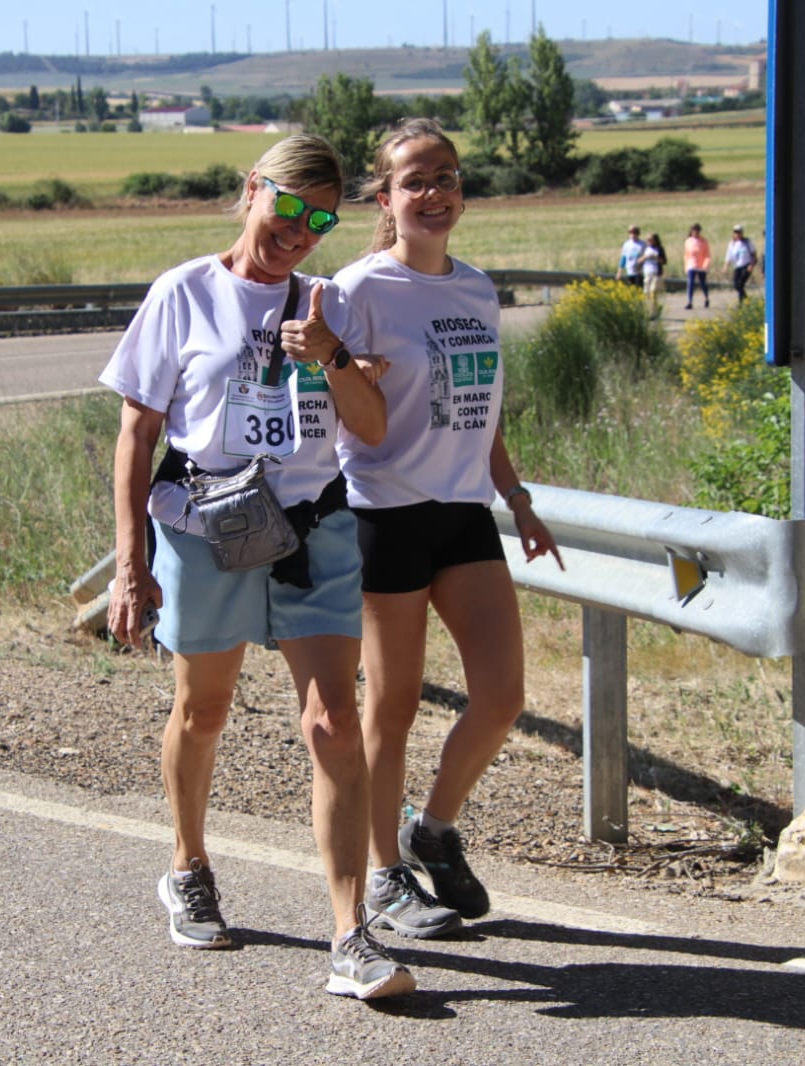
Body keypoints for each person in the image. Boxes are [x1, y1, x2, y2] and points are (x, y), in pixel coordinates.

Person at [99, 133, 415, 1001]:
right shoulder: (184, 294)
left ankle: (351, 935)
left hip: (314, 531)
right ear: (252, 191)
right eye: (290, 206)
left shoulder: (328, 303)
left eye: (322, 217)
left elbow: (373, 428)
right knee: (203, 711)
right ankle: (187, 863)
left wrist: (334, 357)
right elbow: (136, 434)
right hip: (208, 526)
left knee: (332, 726)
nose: (301, 230)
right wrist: (132, 566)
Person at [331, 118, 563, 940]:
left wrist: (517, 497)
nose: (434, 194)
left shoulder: (475, 288)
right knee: (388, 708)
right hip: (383, 513)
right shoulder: (353, 290)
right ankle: (387, 882)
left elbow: (480, 407)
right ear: (385, 198)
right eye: (415, 182)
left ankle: (430, 830)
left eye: (447, 178)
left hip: (463, 511)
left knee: (500, 697)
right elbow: (343, 415)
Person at [724, 223, 758, 302]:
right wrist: (725, 266)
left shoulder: (747, 242)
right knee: (737, 285)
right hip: (737, 266)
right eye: (736, 232)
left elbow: (754, 254)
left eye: (739, 232)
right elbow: (729, 255)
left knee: (740, 284)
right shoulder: (732, 244)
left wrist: (751, 265)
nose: (737, 234)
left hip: (746, 266)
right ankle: (745, 301)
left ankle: (743, 302)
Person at [637, 232, 668, 317]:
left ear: (655, 240)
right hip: (647, 272)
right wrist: (645, 257)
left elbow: (664, 261)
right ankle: (652, 309)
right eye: (647, 240)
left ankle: (654, 312)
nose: (649, 241)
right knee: (646, 292)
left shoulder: (659, 249)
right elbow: (639, 260)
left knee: (653, 291)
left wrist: (656, 258)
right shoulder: (645, 248)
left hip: (656, 273)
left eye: (650, 239)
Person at [683, 223, 711, 309]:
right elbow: (686, 254)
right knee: (690, 283)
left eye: (697, 231)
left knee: (703, 284)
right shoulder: (688, 241)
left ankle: (706, 298)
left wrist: (705, 265)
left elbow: (707, 254)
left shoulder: (703, 241)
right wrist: (686, 266)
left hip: (701, 266)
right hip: (691, 265)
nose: (695, 232)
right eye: (694, 230)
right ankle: (690, 302)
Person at [615, 224, 647, 291]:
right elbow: (623, 258)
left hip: (639, 271)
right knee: (631, 289)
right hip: (629, 270)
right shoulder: (626, 244)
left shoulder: (643, 244)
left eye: (634, 232)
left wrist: (642, 263)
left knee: (639, 289)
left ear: (637, 233)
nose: (632, 234)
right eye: (630, 232)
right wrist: (619, 271)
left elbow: (646, 256)